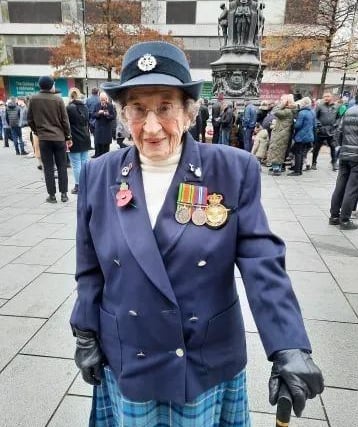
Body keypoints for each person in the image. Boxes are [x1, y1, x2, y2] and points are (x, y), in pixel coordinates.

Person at [70, 41, 324, 427]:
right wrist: (85, 331)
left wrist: (288, 344)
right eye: (138, 109)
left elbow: (262, 261)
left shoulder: (233, 169)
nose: (151, 126)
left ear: (189, 112)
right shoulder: (98, 173)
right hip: (129, 353)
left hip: (204, 358)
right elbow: (89, 266)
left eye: (165, 107)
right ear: (123, 115)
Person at [27, 75, 72, 203]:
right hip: (59, 138)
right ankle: (64, 194)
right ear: (51, 85)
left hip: (44, 138)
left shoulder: (33, 99)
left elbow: (29, 119)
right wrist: (68, 136)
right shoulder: (57, 100)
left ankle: (52, 196)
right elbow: (65, 120)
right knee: (62, 166)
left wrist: (37, 130)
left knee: (48, 167)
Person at [329, 92, 358, 230]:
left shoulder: (348, 111)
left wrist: (341, 147)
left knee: (340, 185)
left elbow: (339, 131)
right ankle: (345, 220)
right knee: (352, 188)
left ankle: (334, 216)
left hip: (345, 153)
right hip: (357, 156)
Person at [66, 87, 91, 195]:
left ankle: (78, 185)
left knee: (76, 163)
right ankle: (86, 183)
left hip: (74, 137)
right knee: (84, 161)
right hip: (85, 136)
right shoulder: (85, 107)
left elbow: (66, 124)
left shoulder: (69, 108)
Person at [267, 94, 296, 175]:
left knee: (277, 150)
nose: (280, 102)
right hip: (281, 132)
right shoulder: (289, 110)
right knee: (278, 150)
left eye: (281, 100)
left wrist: (281, 105)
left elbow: (275, 111)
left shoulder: (287, 111)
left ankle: (276, 169)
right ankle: (276, 167)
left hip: (281, 133)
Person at [288, 97, 315, 176]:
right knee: (302, 153)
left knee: (298, 153)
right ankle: (297, 168)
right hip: (309, 136)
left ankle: (297, 171)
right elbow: (314, 125)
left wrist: (294, 122)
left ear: (303, 104)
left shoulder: (302, 113)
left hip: (301, 136)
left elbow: (298, 125)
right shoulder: (312, 112)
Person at [312, 92, 339, 171]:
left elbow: (339, 117)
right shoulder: (319, 106)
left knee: (333, 147)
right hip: (321, 131)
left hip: (331, 131)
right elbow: (315, 117)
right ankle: (314, 163)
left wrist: (336, 124)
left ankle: (334, 162)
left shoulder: (337, 106)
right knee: (316, 148)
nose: (326, 98)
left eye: (328, 96)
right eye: (324, 96)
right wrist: (318, 125)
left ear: (332, 97)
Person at [92, 92, 116, 158]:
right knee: (98, 146)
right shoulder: (97, 105)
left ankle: (106, 160)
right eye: (101, 100)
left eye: (104, 99)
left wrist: (107, 115)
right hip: (99, 129)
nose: (103, 101)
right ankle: (98, 158)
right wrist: (98, 113)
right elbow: (93, 115)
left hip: (107, 128)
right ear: (99, 99)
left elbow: (113, 116)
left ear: (106, 99)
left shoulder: (110, 105)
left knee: (106, 147)